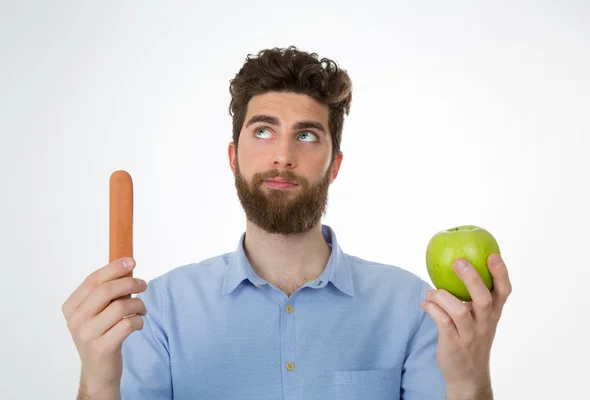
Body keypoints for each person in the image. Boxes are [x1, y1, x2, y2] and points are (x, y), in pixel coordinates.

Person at [62, 46, 512, 400]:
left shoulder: (412, 307)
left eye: (306, 135)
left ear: (334, 164)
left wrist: (470, 384)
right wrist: (98, 385)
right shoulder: (156, 312)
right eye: (262, 130)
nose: (283, 155)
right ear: (233, 158)